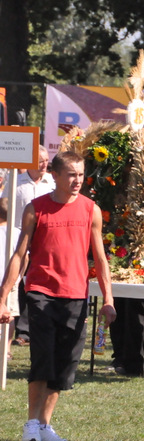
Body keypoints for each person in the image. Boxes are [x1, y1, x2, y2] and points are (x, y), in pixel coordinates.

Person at [0, 151, 116, 441]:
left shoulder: (91, 210)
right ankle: (30, 423)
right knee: (43, 358)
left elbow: (100, 258)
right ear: (55, 175)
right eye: (71, 174)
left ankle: (44, 425)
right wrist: (3, 297)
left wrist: (109, 299)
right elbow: (19, 255)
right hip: (41, 293)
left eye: (81, 174)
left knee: (64, 364)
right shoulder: (35, 208)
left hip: (76, 295)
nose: (78, 180)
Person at [3, 145, 55, 347]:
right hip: (18, 239)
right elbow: (5, 206)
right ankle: (18, 328)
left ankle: (32, 328)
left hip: (44, 240)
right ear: (31, 162)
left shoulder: (52, 183)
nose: (44, 165)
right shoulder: (16, 182)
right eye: (40, 161)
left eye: (47, 161)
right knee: (16, 283)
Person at [0, 198, 21, 358]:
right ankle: (6, 348)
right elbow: (24, 257)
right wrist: (19, 276)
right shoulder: (17, 232)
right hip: (11, 279)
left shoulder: (15, 232)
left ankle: (5, 348)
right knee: (10, 314)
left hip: (8, 278)